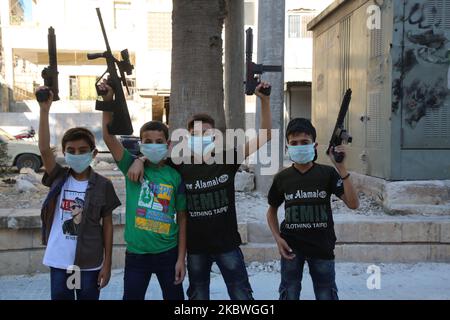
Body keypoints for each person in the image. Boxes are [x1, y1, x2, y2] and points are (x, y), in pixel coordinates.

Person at [127, 83, 273, 300]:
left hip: (227, 245)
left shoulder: (228, 159)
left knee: (241, 294)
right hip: (196, 249)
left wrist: (264, 100)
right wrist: (140, 159)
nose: (201, 137)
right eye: (195, 134)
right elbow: (154, 155)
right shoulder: (179, 166)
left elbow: (266, 136)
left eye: (206, 133)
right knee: (198, 297)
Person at [99, 82, 187, 300]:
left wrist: (180, 259)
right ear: (140, 144)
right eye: (148, 142)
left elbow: (183, 219)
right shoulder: (131, 165)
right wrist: (107, 102)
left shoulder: (175, 176)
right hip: (137, 256)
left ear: (168, 145)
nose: (154, 145)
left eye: (159, 142)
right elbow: (109, 138)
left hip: (168, 253)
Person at [38, 87, 121, 300]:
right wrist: (44, 110)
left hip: (90, 262)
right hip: (60, 261)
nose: (77, 154)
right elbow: (45, 150)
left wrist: (108, 263)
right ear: (64, 152)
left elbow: (108, 225)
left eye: (83, 150)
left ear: (93, 153)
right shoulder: (58, 177)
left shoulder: (103, 185)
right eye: (71, 151)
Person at [266, 118, 359, 300]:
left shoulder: (328, 173)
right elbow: (271, 211)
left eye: (304, 142)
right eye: (294, 143)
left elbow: (353, 204)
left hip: (322, 246)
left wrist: (341, 168)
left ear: (314, 145)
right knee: (289, 292)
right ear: (287, 147)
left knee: (326, 293)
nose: (299, 146)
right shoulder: (282, 178)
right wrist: (278, 239)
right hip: (291, 247)